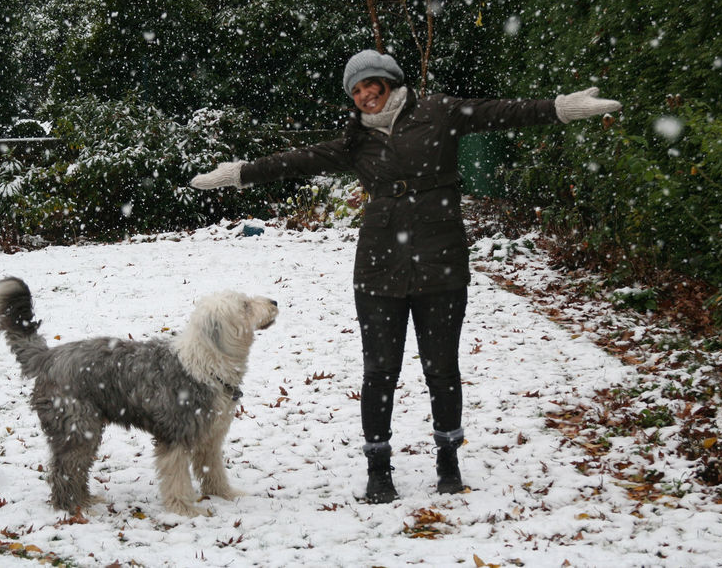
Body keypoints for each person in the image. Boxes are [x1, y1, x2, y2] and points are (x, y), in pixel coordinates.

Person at [190, 49, 621, 503]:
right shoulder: (356, 142)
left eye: (369, 84)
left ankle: (448, 459)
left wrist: (559, 108)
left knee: (442, 368)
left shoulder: (439, 112)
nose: (364, 95)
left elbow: (501, 112)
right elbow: (299, 160)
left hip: (442, 259)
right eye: (355, 91)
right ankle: (379, 469)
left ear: (389, 80)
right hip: (378, 267)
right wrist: (239, 174)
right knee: (379, 371)